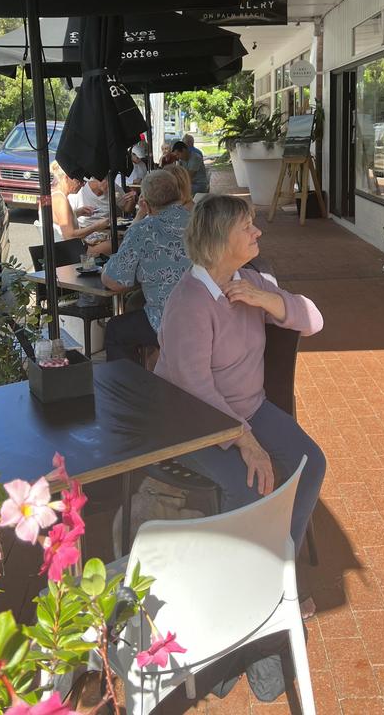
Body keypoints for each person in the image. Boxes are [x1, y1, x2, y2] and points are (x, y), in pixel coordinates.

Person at [155, 194, 326, 584]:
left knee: (310, 463)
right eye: (246, 226)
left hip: (251, 408)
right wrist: (246, 442)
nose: (258, 231)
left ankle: (276, 575)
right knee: (250, 489)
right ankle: (236, 588)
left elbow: (314, 321)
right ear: (219, 240)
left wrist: (267, 299)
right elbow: (194, 387)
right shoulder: (189, 303)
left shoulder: (251, 281)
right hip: (194, 422)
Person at [101, 170, 191, 361]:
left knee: (116, 330)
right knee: (136, 305)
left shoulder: (143, 230)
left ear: (147, 204)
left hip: (168, 319)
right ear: (178, 193)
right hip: (206, 312)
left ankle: (129, 388)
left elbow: (114, 281)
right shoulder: (199, 221)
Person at [48, 161, 110, 242]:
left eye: (83, 181)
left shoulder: (52, 195)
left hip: (61, 246)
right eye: (79, 181)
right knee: (117, 244)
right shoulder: (60, 200)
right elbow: (69, 235)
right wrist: (95, 227)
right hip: (68, 249)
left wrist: (77, 213)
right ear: (66, 178)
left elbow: (56, 219)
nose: (82, 185)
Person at [70, 176, 137, 225]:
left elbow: (127, 209)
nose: (109, 184)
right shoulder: (81, 190)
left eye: (110, 180)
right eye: (106, 181)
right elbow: (69, 218)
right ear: (97, 180)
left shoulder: (113, 187)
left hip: (107, 228)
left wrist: (132, 200)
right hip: (85, 228)